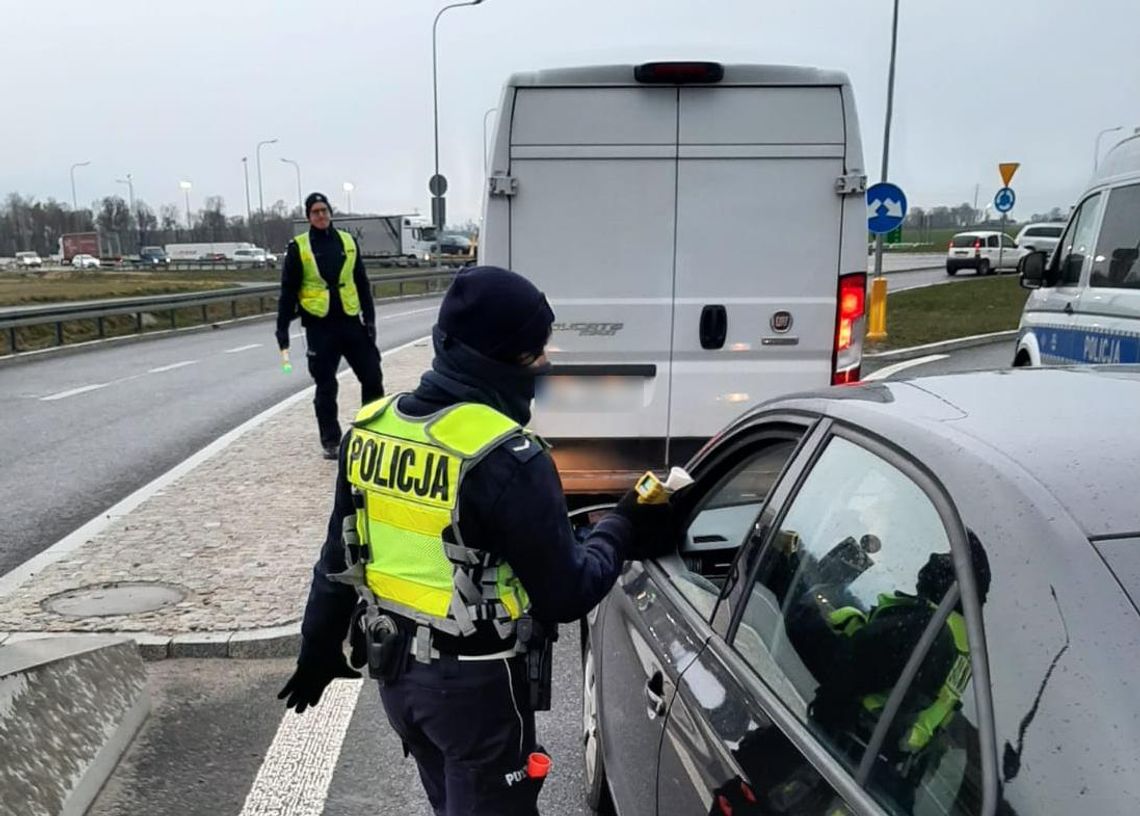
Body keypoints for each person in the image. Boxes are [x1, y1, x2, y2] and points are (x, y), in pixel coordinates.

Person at [278, 266, 672, 815]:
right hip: (476, 694)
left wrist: (316, 650)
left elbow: (336, 562)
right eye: (537, 354)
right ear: (503, 362)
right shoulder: (508, 457)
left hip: (398, 681)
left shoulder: (371, 430)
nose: (545, 364)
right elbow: (566, 592)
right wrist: (623, 524)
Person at [276, 192, 384, 459]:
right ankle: (331, 441)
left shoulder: (347, 242)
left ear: (331, 213)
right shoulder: (299, 247)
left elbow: (362, 282)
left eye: (324, 210)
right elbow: (288, 290)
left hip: (350, 322)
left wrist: (369, 319)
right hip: (319, 326)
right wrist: (282, 328)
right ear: (308, 216)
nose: (321, 215)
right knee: (326, 386)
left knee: (372, 376)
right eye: (315, 212)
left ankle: (371, 434)